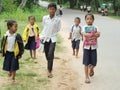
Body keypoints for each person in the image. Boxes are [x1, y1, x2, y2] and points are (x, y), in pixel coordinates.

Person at [40, 3, 61, 78]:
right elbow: (44, 27)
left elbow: (58, 29)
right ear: (48, 9)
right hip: (46, 38)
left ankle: (49, 71)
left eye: (53, 9)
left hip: (53, 38)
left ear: (55, 10)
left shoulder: (58, 19)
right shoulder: (45, 18)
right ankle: (49, 61)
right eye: (50, 9)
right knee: (47, 53)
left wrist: (53, 33)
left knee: (50, 53)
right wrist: (43, 36)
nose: (52, 10)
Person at [82, 14, 100, 83]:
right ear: (85, 20)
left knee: (94, 63)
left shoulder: (96, 27)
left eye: (90, 19)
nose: (89, 20)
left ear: (93, 20)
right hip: (86, 48)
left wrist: (90, 35)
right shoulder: (84, 27)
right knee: (86, 63)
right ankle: (86, 77)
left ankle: (91, 68)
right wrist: (92, 34)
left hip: (93, 48)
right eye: (87, 19)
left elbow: (98, 34)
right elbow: (84, 33)